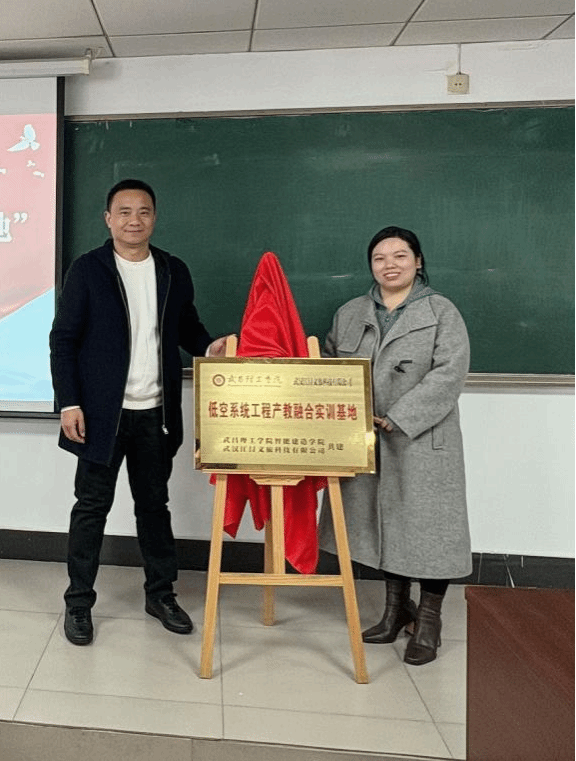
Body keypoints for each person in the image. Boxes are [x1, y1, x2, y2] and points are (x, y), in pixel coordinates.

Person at [50, 178, 227, 646]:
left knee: (153, 507)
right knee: (91, 509)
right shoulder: (88, 269)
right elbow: (63, 339)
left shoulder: (172, 269)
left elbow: (187, 326)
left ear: (154, 218)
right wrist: (69, 402)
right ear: (108, 219)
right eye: (124, 212)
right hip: (100, 417)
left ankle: (161, 595)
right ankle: (79, 602)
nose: (134, 220)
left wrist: (210, 347)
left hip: (155, 413)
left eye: (143, 211)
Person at [319, 226, 472, 666]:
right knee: (382, 525)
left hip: (421, 438)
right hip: (365, 438)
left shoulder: (442, 311)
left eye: (400, 256)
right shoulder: (350, 313)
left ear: (418, 261)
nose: (390, 265)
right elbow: (329, 366)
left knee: (430, 530)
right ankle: (395, 610)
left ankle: (429, 621)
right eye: (380, 258)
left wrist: (401, 415)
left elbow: (450, 372)